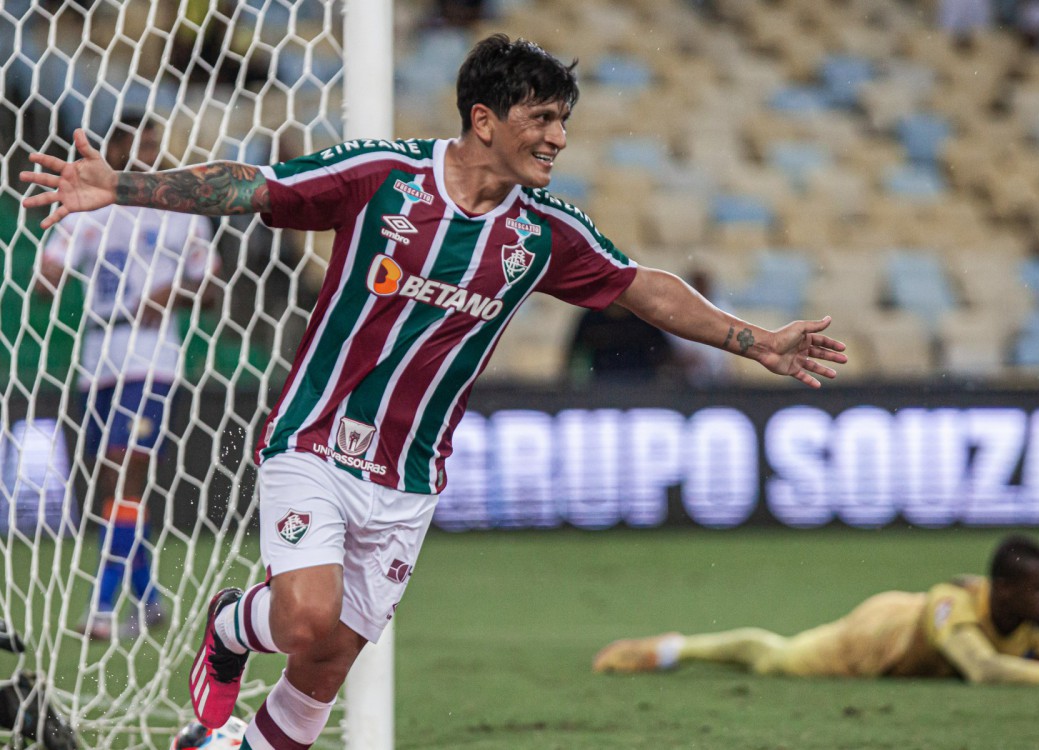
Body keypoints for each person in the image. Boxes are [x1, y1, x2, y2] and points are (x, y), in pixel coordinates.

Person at [21, 35, 848, 747]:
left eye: (564, 120)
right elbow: (253, 186)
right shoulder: (383, 179)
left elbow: (642, 287)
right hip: (314, 435)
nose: (559, 137)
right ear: (484, 120)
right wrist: (124, 187)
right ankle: (233, 623)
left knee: (327, 661)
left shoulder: (540, 234)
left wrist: (756, 341)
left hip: (409, 475)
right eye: (543, 119)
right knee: (305, 619)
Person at [33, 111, 218, 641]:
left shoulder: (182, 209)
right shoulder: (93, 208)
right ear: (113, 147)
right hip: (98, 354)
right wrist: (48, 273)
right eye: (137, 144)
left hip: (154, 357)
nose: (148, 155)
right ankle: (150, 599)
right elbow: (50, 275)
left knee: (126, 470)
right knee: (111, 481)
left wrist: (174, 292)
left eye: (155, 145)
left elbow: (209, 288)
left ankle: (102, 608)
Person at [593, 535, 1039, 692]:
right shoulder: (950, 606)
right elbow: (983, 670)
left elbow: (1027, 660)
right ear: (1001, 590)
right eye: (1036, 590)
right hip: (875, 637)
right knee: (775, 659)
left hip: (917, 644)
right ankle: (677, 648)